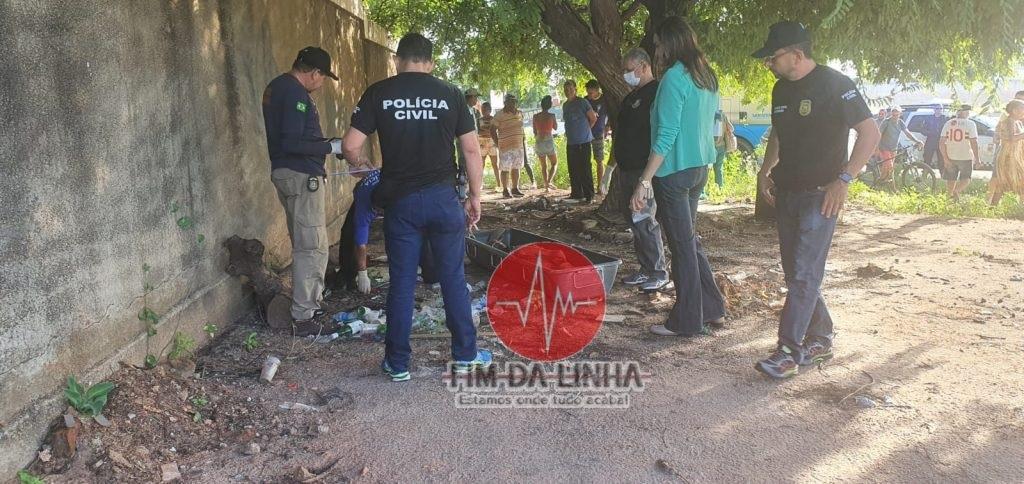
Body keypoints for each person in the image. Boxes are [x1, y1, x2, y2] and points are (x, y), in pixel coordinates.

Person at [341, 32, 490, 382]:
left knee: (403, 282)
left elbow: (350, 145)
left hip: (401, 203)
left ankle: (398, 363)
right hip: (443, 199)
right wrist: (475, 196)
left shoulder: (379, 92)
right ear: (431, 63)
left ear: (397, 60)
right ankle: (466, 356)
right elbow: (471, 151)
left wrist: (362, 166)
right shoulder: (452, 94)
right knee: (453, 277)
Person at [753, 21, 880, 378]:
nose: (769, 64)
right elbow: (778, 133)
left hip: (821, 196)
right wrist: (766, 171)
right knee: (796, 272)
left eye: (772, 57)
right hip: (788, 193)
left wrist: (844, 179)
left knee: (805, 274)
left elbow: (870, 133)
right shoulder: (780, 90)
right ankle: (821, 335)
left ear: (797, 53)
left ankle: (788, 351)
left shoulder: (836, 84)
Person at [628, 16, 725, 337]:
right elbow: (711, 124)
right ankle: (711, 307)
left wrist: (644, 180)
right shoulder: (706, 77)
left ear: (669, 43)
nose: (655, 50)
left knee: (682, 247)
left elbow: (666, 134)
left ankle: (686, 320)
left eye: (657, 44)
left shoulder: (673, 79)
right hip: (699, 169)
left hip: (674, 173)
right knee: (689, 241)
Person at [261, 46, 342, 336]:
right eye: (322, 78)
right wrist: (331, 146)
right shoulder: (295, 93)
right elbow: (293, 142)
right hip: (300, 174)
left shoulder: (276, 87)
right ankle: (305, 315)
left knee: (304, 240)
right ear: (313, 73)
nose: (321, 84)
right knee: (312, 244)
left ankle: (308, 302)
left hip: (286, 172)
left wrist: (328, 144)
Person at [616, 47, 669, 292]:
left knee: (645, 218)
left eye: (630, 70)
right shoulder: (630, 97)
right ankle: (645, 268)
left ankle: (658, 271)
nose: (626, 75)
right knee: (633, 220)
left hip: (644, 169)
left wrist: (646, 177)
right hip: (626, 167)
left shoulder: (657, 93)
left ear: (644, 66)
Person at [562, 80, 598, 203]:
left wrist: (586, 130)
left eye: (570, 89)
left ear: (575, 89)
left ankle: (589, 195)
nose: (568, 92)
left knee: (585, 169)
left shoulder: (582, 102)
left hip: (584, 142)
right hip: (571, 142)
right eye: (566, 90)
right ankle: (577, 193)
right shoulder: (565, 105)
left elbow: (592, 118)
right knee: (573, 169)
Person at [938, 105, 980, 201]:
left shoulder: (948, 123)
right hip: (965, 156)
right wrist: (977, 158)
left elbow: (941, 142)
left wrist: (945, 158)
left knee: (951, 179)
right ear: (965, 112)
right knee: (966, 179)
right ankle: (956, 191)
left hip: (951, 155)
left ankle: (948, 198)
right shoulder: (970, 124)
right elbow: (974, 142)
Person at [988, 99, 1024, 205]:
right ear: (1014, 110)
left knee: (1004, 182)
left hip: (1014, 155)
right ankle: (993, 206)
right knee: (1005, 181)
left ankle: (993, 207)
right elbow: (1012, 138)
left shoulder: (1017, 122)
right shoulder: (1010, 121)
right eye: (1022, 109)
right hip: (1008, 155)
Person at [492, 93, 527, 198]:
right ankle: (505, 189)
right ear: (505, 103)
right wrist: (497, 143)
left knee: (517, 167)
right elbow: (492, 130)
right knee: (505, 168)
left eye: (514, 101)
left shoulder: (520, 113)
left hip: (518, 145)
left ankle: (515, 188)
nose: (512, 103)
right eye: (510, 101)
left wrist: (523, 137)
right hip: (505, 146)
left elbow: (521, 127)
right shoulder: (499, 115)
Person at [878, 107, 923, 182]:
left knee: (886, 167)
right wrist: (876, 147)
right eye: (893, 111)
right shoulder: (886, 122)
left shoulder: (901, 122)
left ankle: (881, 181)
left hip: (893, 148)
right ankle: (890, 185)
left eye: (896, 112)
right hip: (884, 148)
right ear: (891, 113)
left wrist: (917, 141)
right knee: (890, 166)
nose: (895, 113)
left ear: (900, 113)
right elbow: (879, 134)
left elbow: (907, 133)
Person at [586, 80, 611, 195]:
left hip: (598, 134)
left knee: (599, 160)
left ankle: (600, 186)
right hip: (586, 134)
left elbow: (611, 114)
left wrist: (607, 127)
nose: (589, 95)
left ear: (597, 90)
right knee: (586, 161)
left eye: (591, 93)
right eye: (588, 92)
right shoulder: (585, 100)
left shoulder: (605, 100)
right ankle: (587, 186)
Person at [533, 95, 559, 191]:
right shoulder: (552, 116)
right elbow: (555, 127)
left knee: (544, 166)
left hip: (539, 140)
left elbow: (534, 131)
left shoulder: (535, 116)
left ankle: (546, 186)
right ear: (550, 105)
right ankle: (548, 182)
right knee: (554, 163)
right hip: (548, 140)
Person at [477, 102, 501, 192]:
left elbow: (495, 131)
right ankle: (479, 185)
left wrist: (487, 133)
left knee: (495, 164)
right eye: (482, 110)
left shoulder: (494, 119)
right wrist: (489, 132)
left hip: (492, 143)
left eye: (485, 110)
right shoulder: (478, 120)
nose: (483, 111)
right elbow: (478, 132)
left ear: (489, 110)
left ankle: (499, 184)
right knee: (481, 165)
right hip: (482, 143)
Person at [711, 109, 735, 190]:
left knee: (706, 169)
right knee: (718, 169)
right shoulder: (723, 115)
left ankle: (702, 192)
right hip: (722, 146)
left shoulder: (708, 113)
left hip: (710, 147)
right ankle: (720, 189)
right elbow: (731, 128)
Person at [920, 106, 949, 172]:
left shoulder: (945, 118)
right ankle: (924, 175)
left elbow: (949, 130)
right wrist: (930, 133)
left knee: (942, 160)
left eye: (941, 108)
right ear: (934, 109)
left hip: (941, 141)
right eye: (937, 108)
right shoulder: (929, 118)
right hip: (930, 141)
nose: (939, 110)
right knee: (927, 159)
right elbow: (922, 130)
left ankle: (942, 176)